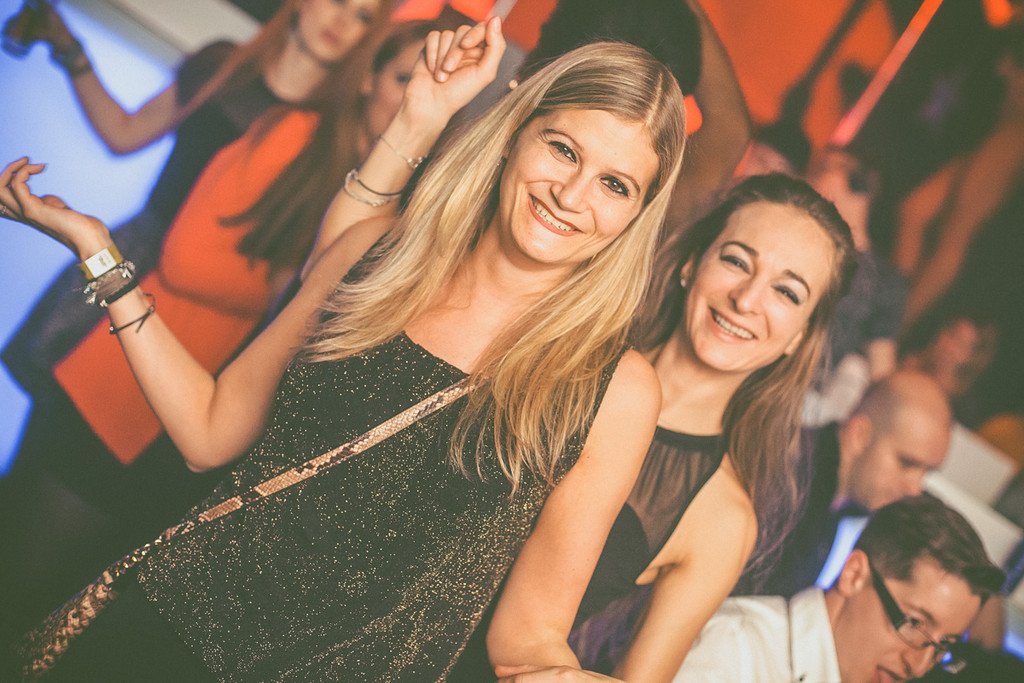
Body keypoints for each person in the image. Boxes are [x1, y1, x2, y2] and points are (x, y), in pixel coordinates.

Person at [1, 19, 689, 679]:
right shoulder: (378, 256)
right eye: (563, 149)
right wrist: (102, 258)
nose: (571, 194)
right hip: (153, 637)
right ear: (514, 136)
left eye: (615, 184)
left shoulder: (614, 390)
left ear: (637, 214)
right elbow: (208, 433)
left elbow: (529, 632)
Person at [0, 16, 442, 654]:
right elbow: (188, 258)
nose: (417, 96)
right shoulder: (297, 133)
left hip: (208, 420)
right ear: (369, 77)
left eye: (438, 87)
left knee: (73, 608)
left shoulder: (408, 210)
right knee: (24, 570)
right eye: (407, 77)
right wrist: (292, 293)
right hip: (134, 382)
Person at [2, 0, 389, 395]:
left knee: (108, 412)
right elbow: (124, 133)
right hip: (132, 253)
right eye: (338, 0)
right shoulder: (223, 66)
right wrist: (71, 50)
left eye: (363, 17)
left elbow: (291, 270)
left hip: (204, 307)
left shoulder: (332, 138)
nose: (342, 21)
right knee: (52, 396)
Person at [563, 174, 857, 680]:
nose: (747, 299)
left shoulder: (723, 518)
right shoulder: (567, 352)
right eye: (737, 261)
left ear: (799, 336)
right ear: (690, 264)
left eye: (786, 292)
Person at [674, 495, 1006, 683]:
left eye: (942, 646)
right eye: (914, 623)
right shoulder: (734, 650)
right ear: (854, 574)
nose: (917, 666)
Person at [754, 369, 952, 598]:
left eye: (927, 472)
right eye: (906, 463)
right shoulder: (782, 480)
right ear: (859, 435)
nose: (914, 488)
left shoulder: (832, 492)